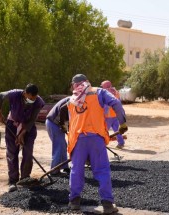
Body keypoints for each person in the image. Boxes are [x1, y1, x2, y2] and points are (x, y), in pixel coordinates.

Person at [67, 74, 127, 214]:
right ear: (87, 82)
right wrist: (122, 123)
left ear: (74, 85)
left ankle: (74, 202)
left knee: (76, 170)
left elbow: (72, 121)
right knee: (102, 170)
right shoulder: (99, 92)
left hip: (77, 139)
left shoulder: (72, 98)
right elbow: (116, 103)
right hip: (96, 137)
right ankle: (107, 204)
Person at [0, 84, 45, 192]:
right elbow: (0, 95)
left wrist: (22, 133)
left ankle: (25, 179)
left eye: (34, 98)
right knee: (12, 153)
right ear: (25, 93)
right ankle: (13, 180)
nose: (32, 100)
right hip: (12, 125)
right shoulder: (15, 94)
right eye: (30, 98)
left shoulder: (38, 101)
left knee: (28, 153)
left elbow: (32, 120)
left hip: (28, 128)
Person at [45, 96, 71, 175]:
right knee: (58, 147)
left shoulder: (78, 98)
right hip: (53, 123)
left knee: (63, 145)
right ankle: (54, 171)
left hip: (55, 123)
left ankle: (65, 167)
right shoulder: (75, 99)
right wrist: (62, 124)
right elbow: (63, 109)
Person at [100, 80, 125, 149]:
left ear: (105, 86)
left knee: (104, 131)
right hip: (115, 115)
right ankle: (121, 143)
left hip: (108, 116)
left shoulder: (106, 93)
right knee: (117, 130)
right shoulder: (116, 92)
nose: (102, 88)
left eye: (103, 86)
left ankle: (102, 144)